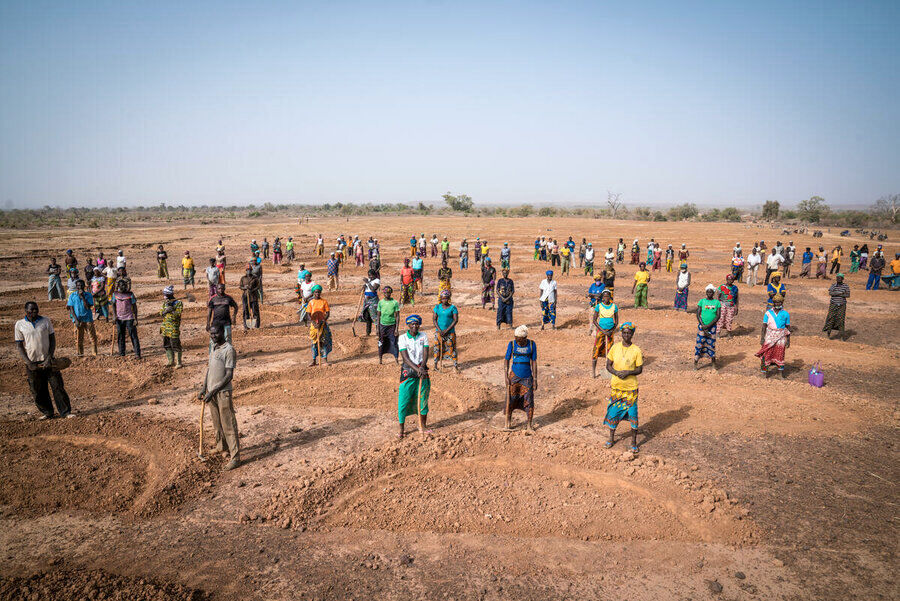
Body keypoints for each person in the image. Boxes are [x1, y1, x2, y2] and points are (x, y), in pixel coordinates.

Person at [15, 302, 73, 419]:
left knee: (57, 386)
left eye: (36, 310)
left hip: (48, 361)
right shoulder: (19, 324)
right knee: (37, 389)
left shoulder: (46, 321)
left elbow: (52, 340)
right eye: (31, 311)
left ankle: (65, 412)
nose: (34, 312)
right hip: (32, 363)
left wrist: (49, 357)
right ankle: (47, 412)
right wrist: (28, 362)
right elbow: (19, 346)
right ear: (26, 311)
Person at [199, 325, 240, 470]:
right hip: (211, 392)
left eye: (216, 333)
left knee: (228, 424)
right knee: (217, 423)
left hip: (222, 392)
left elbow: (229, 375)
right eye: (211, 334)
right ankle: (221, 446)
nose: (213, 336)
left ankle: (235, 457)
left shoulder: (229, 350)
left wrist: (214, 390)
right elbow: (209, 370)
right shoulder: (213, 347)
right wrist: (204, 388)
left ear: (223, 332)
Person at [603, 322, 642, 453]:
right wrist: (616, 373)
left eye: (629, 333)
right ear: (621, 334)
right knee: (613, 413)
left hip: (631, 389)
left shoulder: (636, 350)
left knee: (633, 415)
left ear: (632, 334)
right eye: (624, 333)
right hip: (617, 388)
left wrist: (628, 372)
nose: (626, 335)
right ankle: (611, 438)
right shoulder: (614, 347)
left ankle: (633, 442)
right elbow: (608, 365)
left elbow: (639, 369)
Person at [397, 315, 430, 438]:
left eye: (417, 324)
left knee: (423, 399)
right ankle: (401, 429)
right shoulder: (403, 338)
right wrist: (418, 369)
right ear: (408, 325)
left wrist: (422, 366)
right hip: (408, 372)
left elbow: (426, 352)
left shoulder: (423, 336)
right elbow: (405, 358)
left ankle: (423, 426)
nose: (415, 326)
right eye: (412, 324)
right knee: (403, 400)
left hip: (422, 370)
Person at [504, 325, 537, 431]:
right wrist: (506, 376)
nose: (517, 341)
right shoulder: (512, 344)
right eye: (516, 339)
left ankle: (529, 425)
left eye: (519, 340)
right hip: (514, 376)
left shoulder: (532, 345)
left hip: (527, 377)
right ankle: (508, 423)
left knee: (529, 400)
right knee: (510, 399)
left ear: (525, 338)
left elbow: (534, 362)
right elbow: (506, 360)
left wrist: (535, 379)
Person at [756, 295, 791, 378]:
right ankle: (764, 373)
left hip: (781, 336)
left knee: (780, 355)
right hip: (769, 336)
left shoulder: (786, 314)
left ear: (782, 303)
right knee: (766, 354)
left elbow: (788, 328)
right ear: (773, 303)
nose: (778, 304)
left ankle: (780, 374)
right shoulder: (768, 313)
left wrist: (788, 340)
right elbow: (764, 326)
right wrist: (762, 338)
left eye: (780, 302)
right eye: (776, 302)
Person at [67, 279, 98, 357]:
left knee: (92, 337)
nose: (79, 287)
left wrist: (83, 297)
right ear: (76, 287)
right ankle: (80, 354)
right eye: (78, 285)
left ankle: (94, 354)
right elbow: (71, 308)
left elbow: (88, 307)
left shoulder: (88, 295)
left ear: (84, 286)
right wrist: (76, 320)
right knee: (78, 339)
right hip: (78, 319)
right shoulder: (72, 295)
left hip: (87, 318)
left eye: (81, 285)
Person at [591, 290, 618, 378]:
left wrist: (611, 330)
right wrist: (602, 330)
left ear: (610, 297)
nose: (606, 298)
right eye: (604, 296)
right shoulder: (598, 306)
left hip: (610, 332)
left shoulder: (614, 307)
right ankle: (593, 371)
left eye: (608, 296)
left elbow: (616, 321)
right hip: (601, 331)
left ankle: (609, 370)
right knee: (596, 348)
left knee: (610, 350)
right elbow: (594, 320)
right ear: (602, 297)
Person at [112, 280, 141, 359]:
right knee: (120, 336)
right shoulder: (115, 294)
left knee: (133, 336)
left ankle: (137, 353)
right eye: (121, 285)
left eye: (124, 285)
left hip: (129, 318)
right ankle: (122, 353)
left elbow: (134, 306)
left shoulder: (130, 294)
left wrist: (136, 318)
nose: (123, 287)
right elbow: (113, 305)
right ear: (118, 286)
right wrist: (114, 316)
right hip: (119, 318)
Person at [695, 285, 721, 369]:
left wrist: (708, 326)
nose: (709, 293)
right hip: (702, 326)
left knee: (711, 344)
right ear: (706, 292)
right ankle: (695, 362)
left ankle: (713, 363)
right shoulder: (701, 301)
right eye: (708, 292)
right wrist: (703, 325)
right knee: (700, 344)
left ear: (713, 293)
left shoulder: (717, 303)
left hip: (712, 327)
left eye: (711, 292)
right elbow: (698, 314)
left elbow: (718, 316)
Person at [432, 291, 460, 372]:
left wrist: (447, 330)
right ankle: (435, 365)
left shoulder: (453, 308)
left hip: (450, 332)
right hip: (439, 332)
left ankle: (455, 366)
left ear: (449, 298)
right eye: (443, 298)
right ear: (441, 298)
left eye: (446, 298)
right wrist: (440, 330)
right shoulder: (437, 307)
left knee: (452, 348)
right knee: (437, 348)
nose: (444, 300)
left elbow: (455, 320)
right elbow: (434, 319)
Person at [159, 285, 184, 367]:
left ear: (170, 294)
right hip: (165, 328)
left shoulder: (178, 303)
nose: (164, 296)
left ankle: (179, 362)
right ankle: (170, 361)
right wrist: (166, 310)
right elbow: (161, 313)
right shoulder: (165, 303)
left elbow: (178, 314)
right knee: (167, 345)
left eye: (166, 294)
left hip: (173, 328)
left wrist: (172, 309)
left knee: (175, 345)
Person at [207, 283, 238, 348]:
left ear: (224, 289)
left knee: (227, 338)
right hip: (216, 323)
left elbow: (236, 306)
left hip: (226, 322)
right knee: (213, 339)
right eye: (219, 289)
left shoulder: (228, 298)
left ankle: (228, 352)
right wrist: (208, 323)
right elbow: (209, 312)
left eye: (222, 288)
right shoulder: (213, 299)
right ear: (216, 289)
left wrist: (234, 316)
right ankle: (212, 354)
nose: (221, 290)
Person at [307, 285, 331, 366]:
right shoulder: (311, 302)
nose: (317, 293)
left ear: (320, 292)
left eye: (319, 292)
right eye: (316, 292)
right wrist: (313, 322)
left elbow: (327, 313)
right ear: (313, 293)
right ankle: (314, 360)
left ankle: (324, 360)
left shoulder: (324, 302)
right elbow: (308, 314)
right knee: (314, 342)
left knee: (323, 341)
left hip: (322, 324)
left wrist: (323, 320)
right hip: (314, 325)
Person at [376, 285, 400, 364]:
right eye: (385, 293)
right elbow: (378, 316)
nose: (387, 294)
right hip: (382, 326)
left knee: (394, 342)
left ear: (391, 293)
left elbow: (397, 316)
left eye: (389, 293)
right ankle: (380, 359)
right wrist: (377, 328)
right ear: (383, 293)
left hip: (392, 326)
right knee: (381, 342)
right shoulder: (380, 302)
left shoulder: (395, 303)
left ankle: (396, 359)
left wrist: (396, 329)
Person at [823, 274, 850, 339]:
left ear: (842, 279)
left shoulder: (845, 286)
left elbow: (848, 295)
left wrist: (836, 293)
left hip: (842, 305)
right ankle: (828, 332)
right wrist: (840, 293)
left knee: (841, 319)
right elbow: (830, 293)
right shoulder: (833, 285)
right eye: (837, 278)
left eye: (840, 278)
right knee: (830, 317)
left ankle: (841, 335)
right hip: (833, 304)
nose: (838, 279)